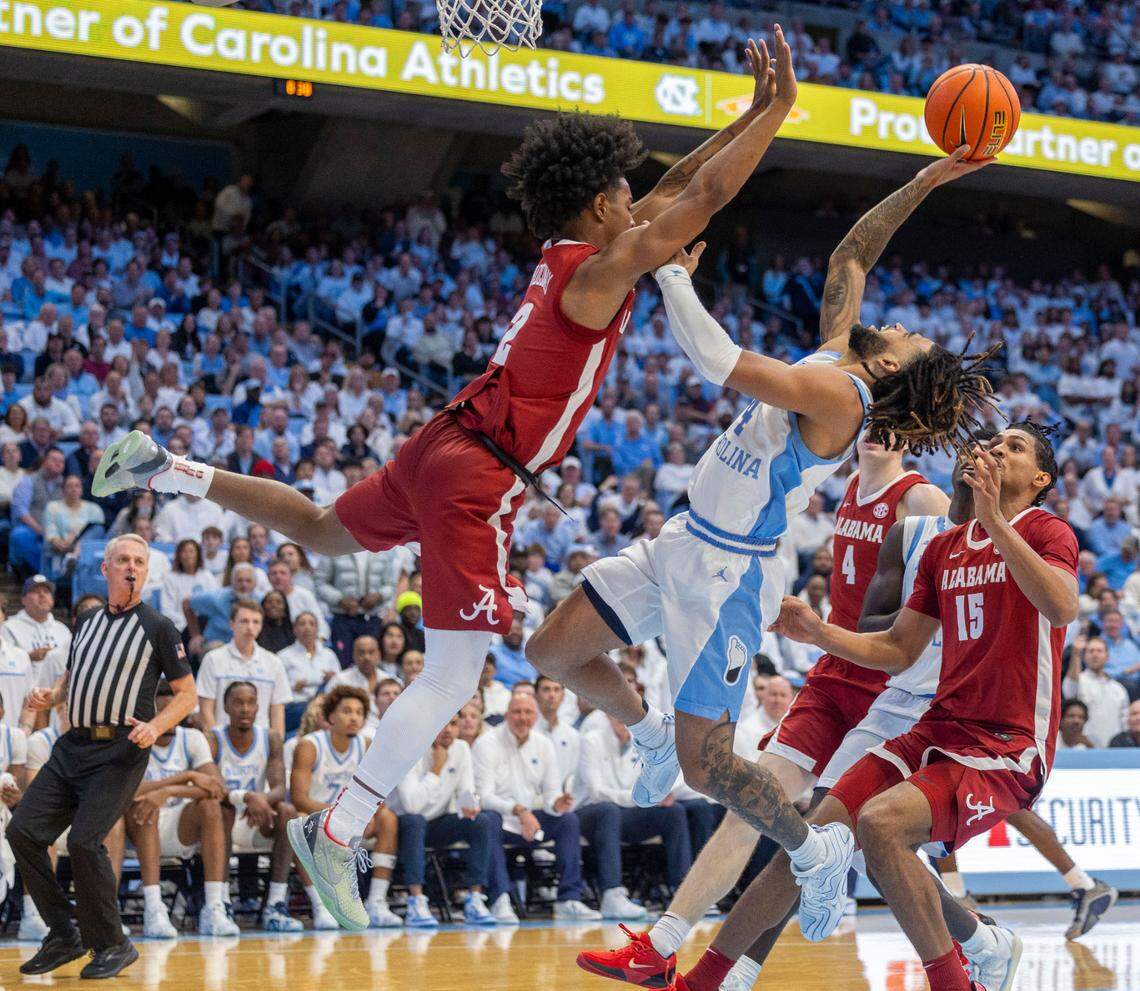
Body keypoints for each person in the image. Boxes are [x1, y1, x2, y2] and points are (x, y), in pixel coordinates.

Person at [92, 35, 801, 930]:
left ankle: (173, 468)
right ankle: (340, 830)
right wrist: (774, 116)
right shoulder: (600, 271)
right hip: (480, 475)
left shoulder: (568, 254)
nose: (640, 202)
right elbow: (695, 200)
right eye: (626, 194)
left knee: (318, 528)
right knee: (456, 672)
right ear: (599, 204)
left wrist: (742, 116)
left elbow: (669, 193)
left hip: (443, 440)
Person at [566, 149, 994, 985]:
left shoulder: (862, 421)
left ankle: (964, 941)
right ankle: (667, 947)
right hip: (749, 590)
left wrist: (665, 271)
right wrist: (929, 180)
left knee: (744, 786)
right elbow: (852, 256)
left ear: (895, 370)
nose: (900, 323)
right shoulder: (839, 353)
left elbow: (721, 363)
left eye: (911, 337)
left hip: (802, 626)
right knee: (742, 790)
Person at [692, 427, 1077, 991]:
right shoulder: (943, 549)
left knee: (879, 825)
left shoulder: (1048, 529)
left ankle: (958, 974)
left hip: (1007, 743)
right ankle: (704, 979)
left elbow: (1062, 606)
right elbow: (897, 650)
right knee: (815, 842)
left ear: (1041, 479)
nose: (997, 450)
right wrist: (819, 632)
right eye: (993, 444)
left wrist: (994, 520)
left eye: (1014, 448)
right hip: (935, 726)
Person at [9, 534, 196, 980]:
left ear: (146, 572)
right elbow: (74, 676)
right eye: (123, 560)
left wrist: (157, 725)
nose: (132, 567)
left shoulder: (160, 627)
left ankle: (112, 943)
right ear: (105, 569)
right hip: (72, 745)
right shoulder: (88, 620)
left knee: (83, 841)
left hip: (121, 749)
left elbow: (186, 696)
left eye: (139, 561)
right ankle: (63, 934)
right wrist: (50, 695)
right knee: (23, 832)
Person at [126, 679, 239, 938]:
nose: (169, 717)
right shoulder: (134, 738)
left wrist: (167, 791)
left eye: (174, 711)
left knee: (211, 806)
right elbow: (127, 792)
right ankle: (153, 909)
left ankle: (213, 907)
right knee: (145, 806)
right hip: (139, 826)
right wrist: (183, 777)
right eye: (162, 710)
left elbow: (216, 788)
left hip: (179, 825)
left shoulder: (192, 738)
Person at [473, 691, 600, 920]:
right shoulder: (487, 743)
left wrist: (557, 804)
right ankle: (500, 899)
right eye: (517, 712)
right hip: (502, 819)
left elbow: (551, 792)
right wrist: (519, 811)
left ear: (536, 716)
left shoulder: (543, 744)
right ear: (506, 715)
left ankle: (568, 899)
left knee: (568, 820)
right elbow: (483, 796)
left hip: (529, 821)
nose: (523, 718)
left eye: (528, 712)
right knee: (487, 820)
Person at [289, 686, 401, 928]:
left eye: (359, 712)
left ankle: (377, 901)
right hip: (318, 817)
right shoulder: (309, 745)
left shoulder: (368, 745)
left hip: (353, 822)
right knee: (300, 820)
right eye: (347, 711)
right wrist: (338, 818)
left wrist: (370, 815)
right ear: (330, 717)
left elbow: (379, 794)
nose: (354, 717)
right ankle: (320, 905)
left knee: (388, 818)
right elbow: (299, 798)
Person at [392, 712, 514, 926]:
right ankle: (416, 901)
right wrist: (436, 769)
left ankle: (475, 898)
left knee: (482, 821)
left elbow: (466, 791)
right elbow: (412, 805)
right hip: (402, 826)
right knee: (415, 821)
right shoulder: (410, 750)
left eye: (453, 724)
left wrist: (470, 806)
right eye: (441, 724)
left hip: (438, 823)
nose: (447, 730)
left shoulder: (461, 748)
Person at [208, 681, 306, 932]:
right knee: (223, 810)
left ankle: (275, 903)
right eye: (238, 703)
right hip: (219, 821)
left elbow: (278, 787)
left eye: (250, 702)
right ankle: (222, 902)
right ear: (226, 707)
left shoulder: (271, 737)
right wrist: (247, 797)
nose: (245, 708)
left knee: (288, 812)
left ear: (258, 707)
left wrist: (260, 800)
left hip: (258, 818)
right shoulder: (213, 738)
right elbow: (214, 788)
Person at [196, 599, 292, 738]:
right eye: (244, 621)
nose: (250, 627)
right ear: (232, 624)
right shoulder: (213, 659)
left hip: (261, 745)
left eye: (256, 622)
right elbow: (205, 711)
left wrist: (275, 749)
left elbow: (277, 714)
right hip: (222, 743)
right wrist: (219, 745)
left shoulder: (274, 662)